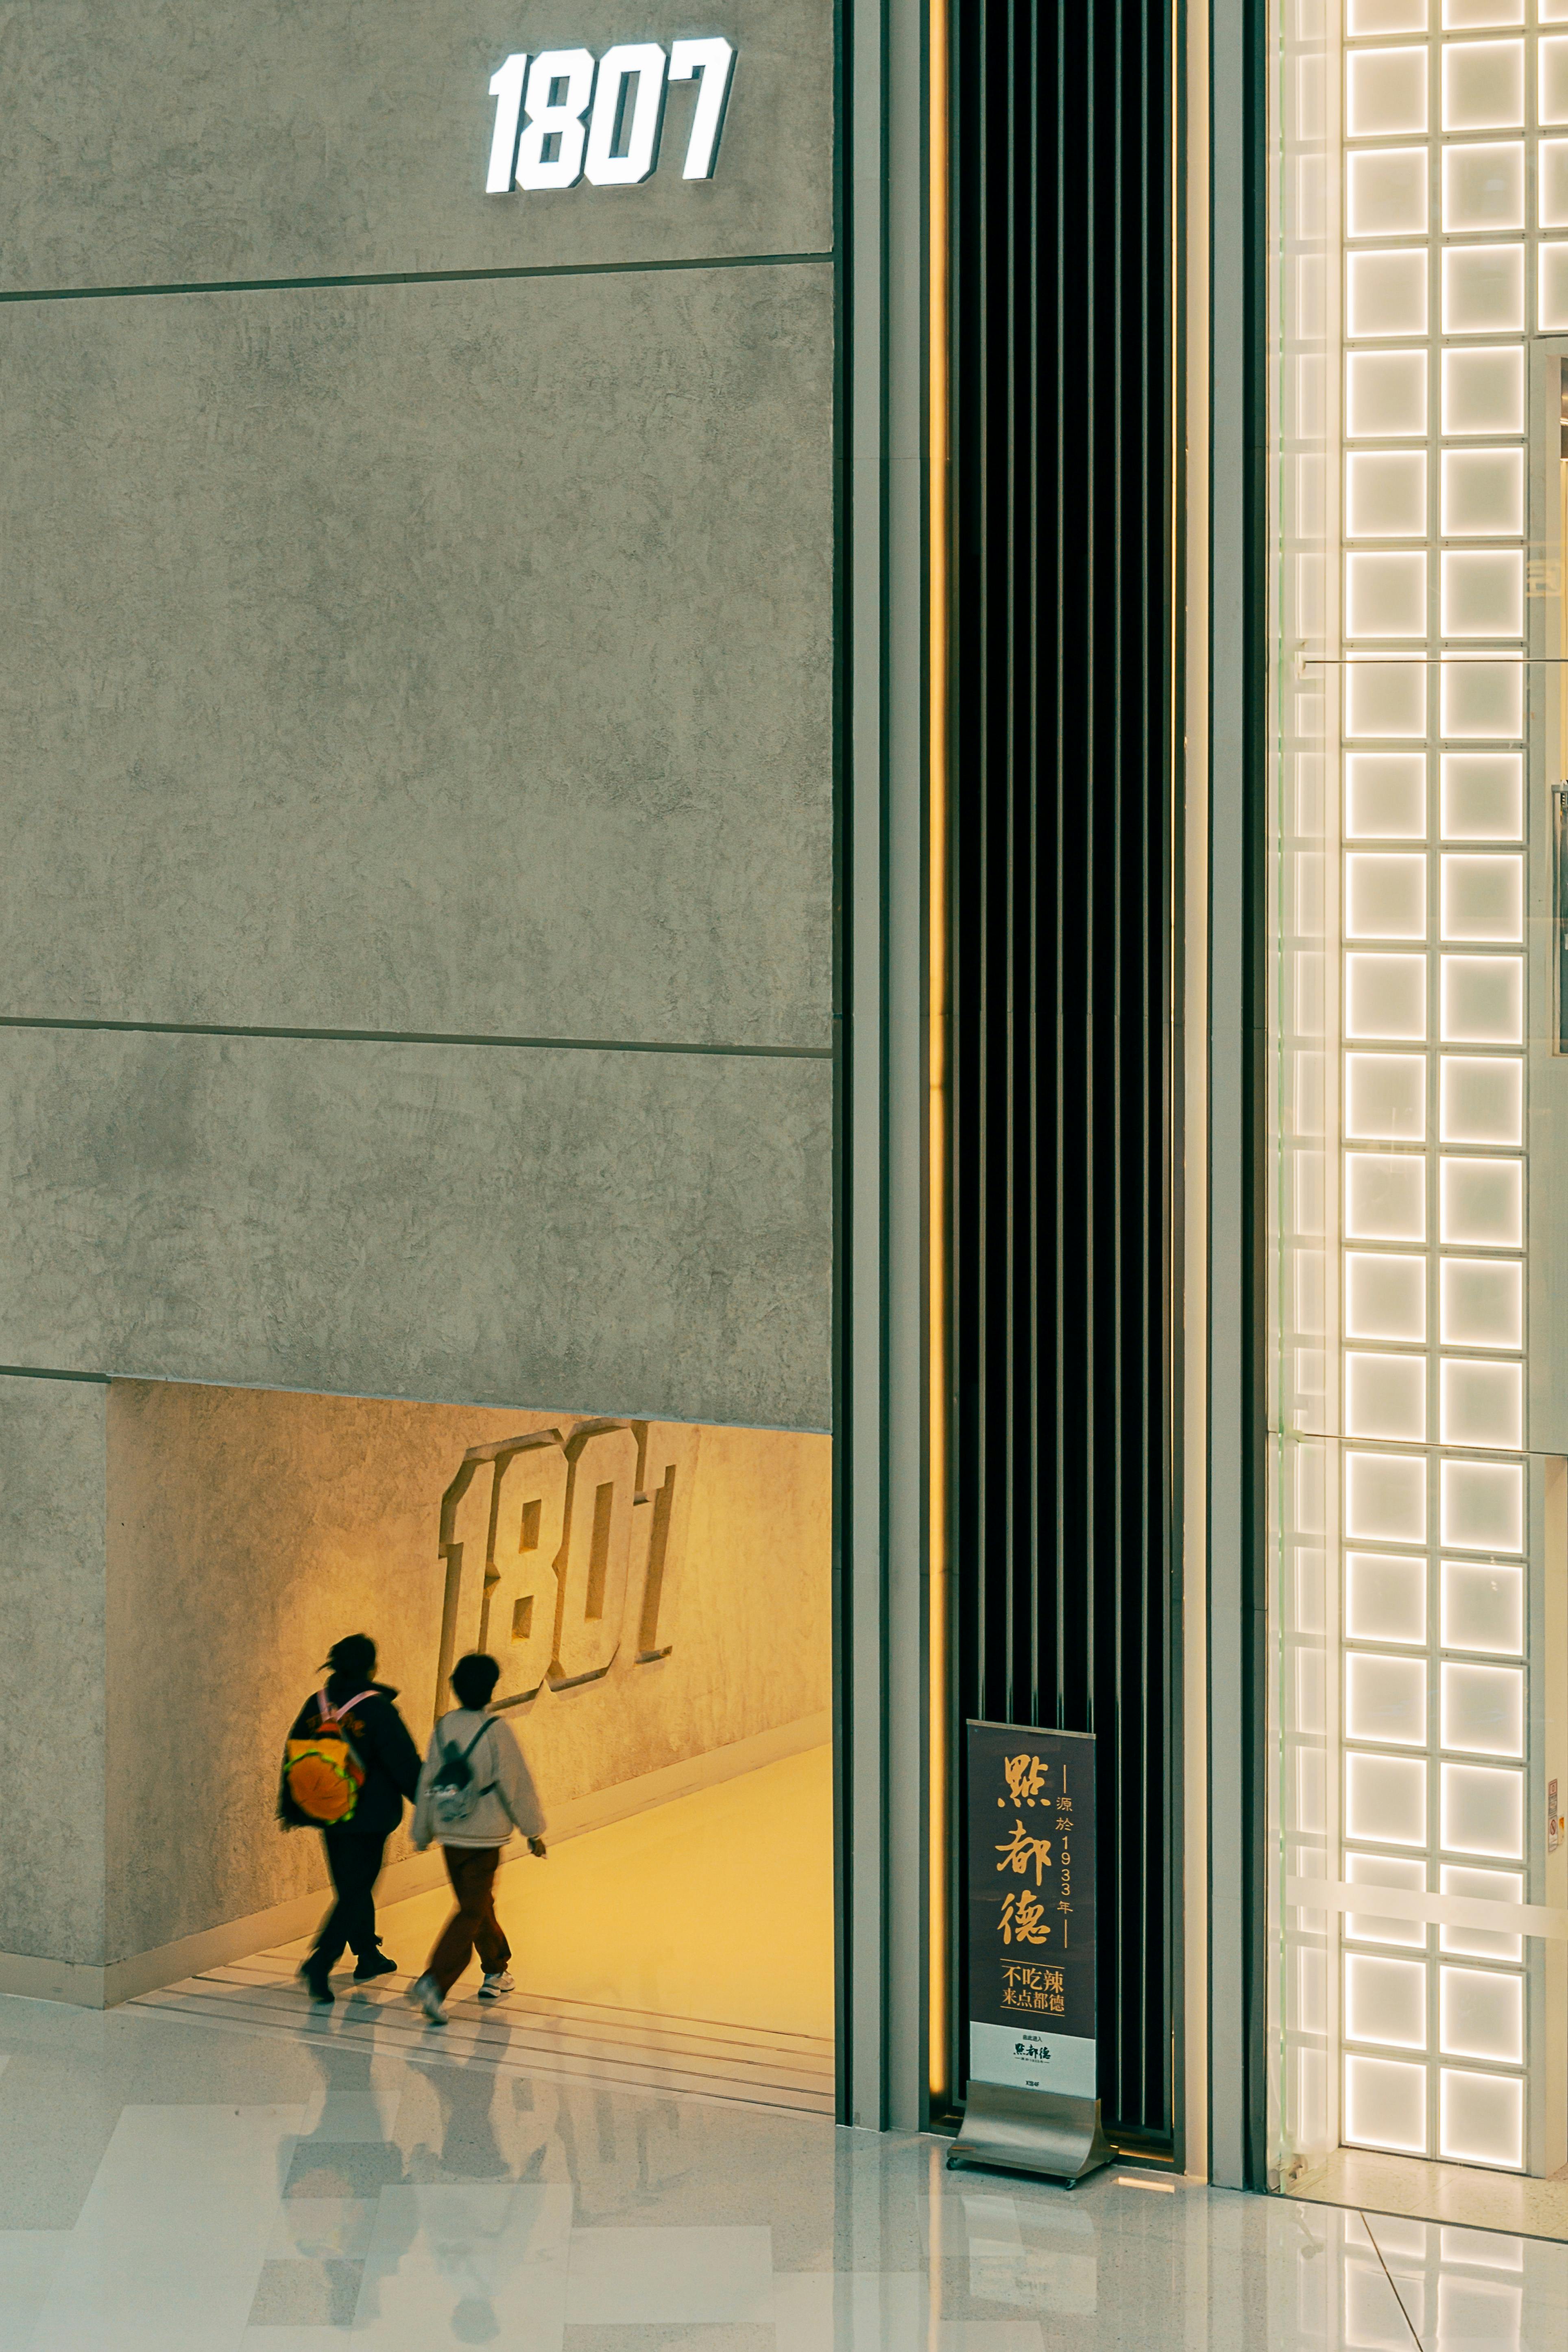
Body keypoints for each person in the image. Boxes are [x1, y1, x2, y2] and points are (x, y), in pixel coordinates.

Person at [279, 1632, 423, 2005]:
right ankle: (321, 1960)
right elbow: (403, 1762)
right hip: (370, 1815)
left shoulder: (317, 1703)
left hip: (329, 1811)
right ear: (371, 1667)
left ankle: (368, 1955)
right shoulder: (377, 1708)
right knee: (358, 1889)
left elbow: (294, 1754)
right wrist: (429, 1801)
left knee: (349, 1887)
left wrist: (293, 1807)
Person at [408, 1651, 547, 2025]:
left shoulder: (442, 1728)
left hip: (451, 1834)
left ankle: (496, 1969)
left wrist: (421, 1830)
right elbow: (516, 1784)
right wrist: (533, 1831)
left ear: (454, 1687)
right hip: (485, 1837)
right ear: (490, 1690)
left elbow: (427, 1782)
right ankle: (435, 1981)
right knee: (471, 1909)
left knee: (478, 1903)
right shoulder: (496, 1730)